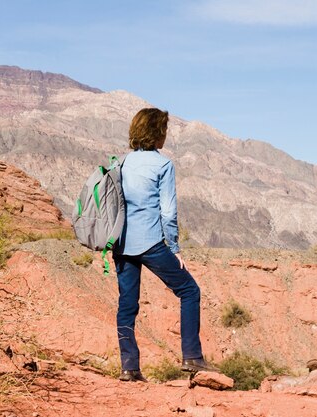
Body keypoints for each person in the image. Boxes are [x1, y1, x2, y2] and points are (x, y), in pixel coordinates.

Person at [113, 107, 217, 382]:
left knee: (127, 305)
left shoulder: (121, 163)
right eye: (164, 130)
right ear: (157, 132)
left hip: (121, 245)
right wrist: (174, 248)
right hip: (151, 243)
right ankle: (192, 357)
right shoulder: (163, 165)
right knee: (189, 290)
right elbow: (168, 213)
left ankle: (129, 368)